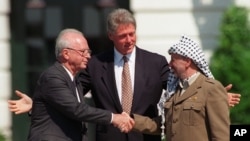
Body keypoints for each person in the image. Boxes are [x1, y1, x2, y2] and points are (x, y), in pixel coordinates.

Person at [9, 8, 240, 141]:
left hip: (144, 138)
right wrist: (39, 102)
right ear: (111, 36)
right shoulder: (97, 63)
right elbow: (72, 94)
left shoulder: (156, 61)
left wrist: (213, 96)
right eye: (123, 36)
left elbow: (178, 89)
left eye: (132, 34)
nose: (129, 40)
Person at [10, 28, 134, 141]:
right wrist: (114, 118)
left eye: (89, 51)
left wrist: (35, 105)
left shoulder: (75, 80)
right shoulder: (53, 77)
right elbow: (77, 110)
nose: (88, 56)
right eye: (83, 52)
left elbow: (63, 108)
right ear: (66, 54)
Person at [130, 35, 230, 141]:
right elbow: (163, 124)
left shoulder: (211, 89)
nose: (169, 64)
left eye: (173, 60)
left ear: (187, 62)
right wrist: (132, 121)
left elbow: (221, 136)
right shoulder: (175, 90)